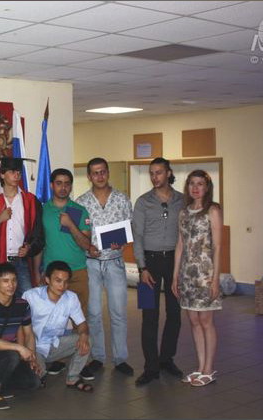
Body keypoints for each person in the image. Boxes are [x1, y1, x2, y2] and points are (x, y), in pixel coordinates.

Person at [76, 157, 134, 379]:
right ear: (89, 176)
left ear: (108, 173)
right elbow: (75, 234)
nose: (99, 176)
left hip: (114, 262)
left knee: (118, 312)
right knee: (93, 313)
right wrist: (87, 245)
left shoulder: (122, 199)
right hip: (90, 263)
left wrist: (123, 242)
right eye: (95, 172)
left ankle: (120, 358)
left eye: (102, 172)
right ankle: (98, 357)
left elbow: (130, 227)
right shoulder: (80, 202)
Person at [35, 168, 93, 378]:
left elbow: (86, 244)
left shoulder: (79, 210)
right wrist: (37, 271)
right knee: (53, 319)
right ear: (52, 185)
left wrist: (70, 224)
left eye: (67, 183)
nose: (63, 187)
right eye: (58, 183)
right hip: (52, 275)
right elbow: (39, 243)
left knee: (80, 318)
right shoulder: (43, 211)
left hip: (77, 272)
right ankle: (58, 359)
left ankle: (82, 361)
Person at [132, 158, 184, 386]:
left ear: (168, 173)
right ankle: (151, 367)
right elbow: (138, 237)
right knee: (149, 316)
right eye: (151, 173)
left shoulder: (182, 201)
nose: (155, 177)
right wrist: (142, 267)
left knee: (175, 314)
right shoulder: (143, 202)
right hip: (149, 263)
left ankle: (166, 359)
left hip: (174, 261)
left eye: (159, 172)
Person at [171, 170, 223, 387]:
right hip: (187, 275)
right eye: (192, 183)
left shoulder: (212, 210)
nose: (195, 187)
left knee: (206, 321)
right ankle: (200, 367)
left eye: (200, 183)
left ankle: (209, 369)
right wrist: (175, 276)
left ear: (207, 187)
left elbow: (218, 246)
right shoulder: (183, 212)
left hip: (205, 274)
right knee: (193, 321)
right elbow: (180, 245)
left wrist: (215, 279)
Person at [0, 263, 41, 410]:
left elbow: (29, 334)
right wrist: (20, 348)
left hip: (11, 354)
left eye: (14, 280)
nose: (11, 285)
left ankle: (0, 384)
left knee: (34, 383)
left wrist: (32, 358)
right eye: (5, 281)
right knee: (13, 355)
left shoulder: (22, 304)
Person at [22, 261, 93, 393]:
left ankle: (72, 378)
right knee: (36, 381)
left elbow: (82, 324)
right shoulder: (30, 296)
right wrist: (26, 351)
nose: (62, 286)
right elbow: (20, 327)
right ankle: (38, 373)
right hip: (33, 347)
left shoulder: (71, 298)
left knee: (87, 340)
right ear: (47, 280)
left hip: (55, 345)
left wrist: (84, 335)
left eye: (66, 282)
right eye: (58, 281)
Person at [0, 157, 44, 294]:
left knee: (27, 297)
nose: (17, 175)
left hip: (21, 261)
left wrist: (29, 247)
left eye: (19, 172)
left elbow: (38, 232)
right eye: (12, 171)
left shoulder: (30, 200)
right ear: (2, 174)